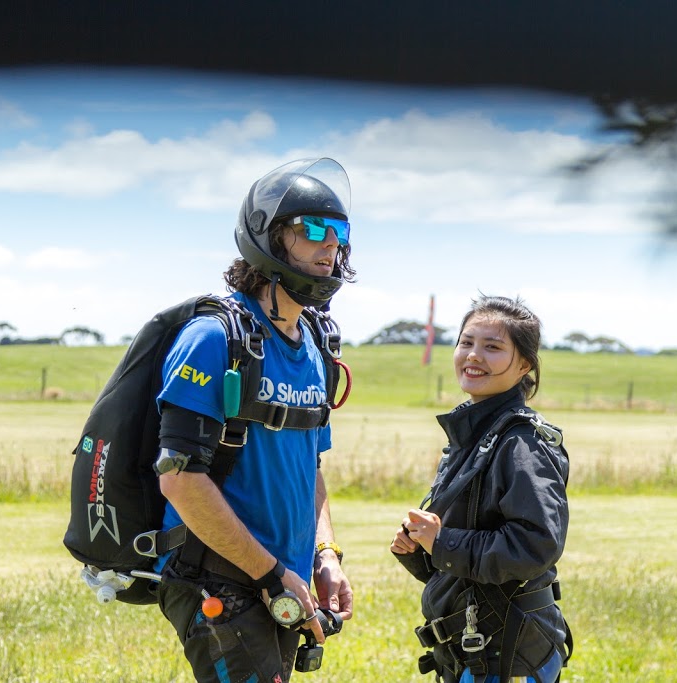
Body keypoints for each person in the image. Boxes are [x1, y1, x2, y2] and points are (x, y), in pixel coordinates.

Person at [153, 157, 355, 683]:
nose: (330, 243)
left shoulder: (315, 346)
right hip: (217, 575)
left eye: (340, 231)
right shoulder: (214, 339)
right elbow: (179, 477)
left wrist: (324, 554)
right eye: (313, 229)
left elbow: (311, 468)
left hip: (283, 578)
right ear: (268, 236)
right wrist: (269, 573)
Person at [391, 295, 571, 683]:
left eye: (492, 347)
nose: (473, 356)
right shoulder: (476, 436)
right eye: (466, 342)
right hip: (475, 649)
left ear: (524, 365)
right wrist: (422, 548)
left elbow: (534, 545)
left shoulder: (522, 444)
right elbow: (470, 554)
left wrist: (443, 542)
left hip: (505, 651)